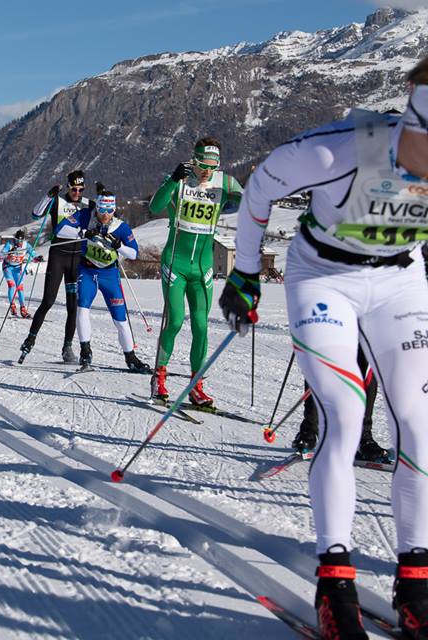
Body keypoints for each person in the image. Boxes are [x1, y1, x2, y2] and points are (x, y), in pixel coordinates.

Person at [218, 57, 428, 638]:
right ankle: (334, 583)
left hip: (400, 281)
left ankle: (416, 582)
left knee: (418, 418)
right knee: (346, 412)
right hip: (323, 278)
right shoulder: (336, 151)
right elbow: (260, 186)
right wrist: (244, 274)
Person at [148, 138, 244, 406]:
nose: (206, 171)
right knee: (176, 321)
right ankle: (159, 377)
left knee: (201, 326)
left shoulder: (224, 183)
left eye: (213, 165)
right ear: (194, 159)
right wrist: (171, 181)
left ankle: (196, 385)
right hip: (175, 263)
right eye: (202, 164)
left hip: (203, 268)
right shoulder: (179, 179)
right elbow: (154, 207)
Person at [19, 170, 94, 364]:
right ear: (68, 187)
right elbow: (36, 214)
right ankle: (30, 339)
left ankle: (67, 347)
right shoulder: (58, 202)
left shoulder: (88, 204)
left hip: (77, 259)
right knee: (48, 301)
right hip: (58, 256)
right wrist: (49, 195)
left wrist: (104, 196)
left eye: (81, 189)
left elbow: (108, 213)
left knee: (73, 306)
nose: (77, 192)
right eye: (74, 189)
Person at [77, 192, 151, 373]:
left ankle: (131, 358)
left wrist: (119, 246)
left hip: (109, 275)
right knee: (82, 308)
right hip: (87, 271)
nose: (105, 214)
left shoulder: (121, 227)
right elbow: (61, 230)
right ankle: (85, 352)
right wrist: (84, 233)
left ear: (114, 209)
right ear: (97, 208)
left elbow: (134, 254)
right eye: (102, 209)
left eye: (109, 210)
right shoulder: (87, 218)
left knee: (120, 319)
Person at [0, 230, 35, 318]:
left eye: (21, 241)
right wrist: (8, 253)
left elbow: (33, 254)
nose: (19, 243)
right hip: (8, 267)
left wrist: (34, 258)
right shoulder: (10, 244)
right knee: (12, 285)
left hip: (17, 268)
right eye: (17, 240)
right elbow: (1, 255)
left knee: (20, 287)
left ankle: (23, 309)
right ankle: (12, 306)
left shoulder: (26, 245)